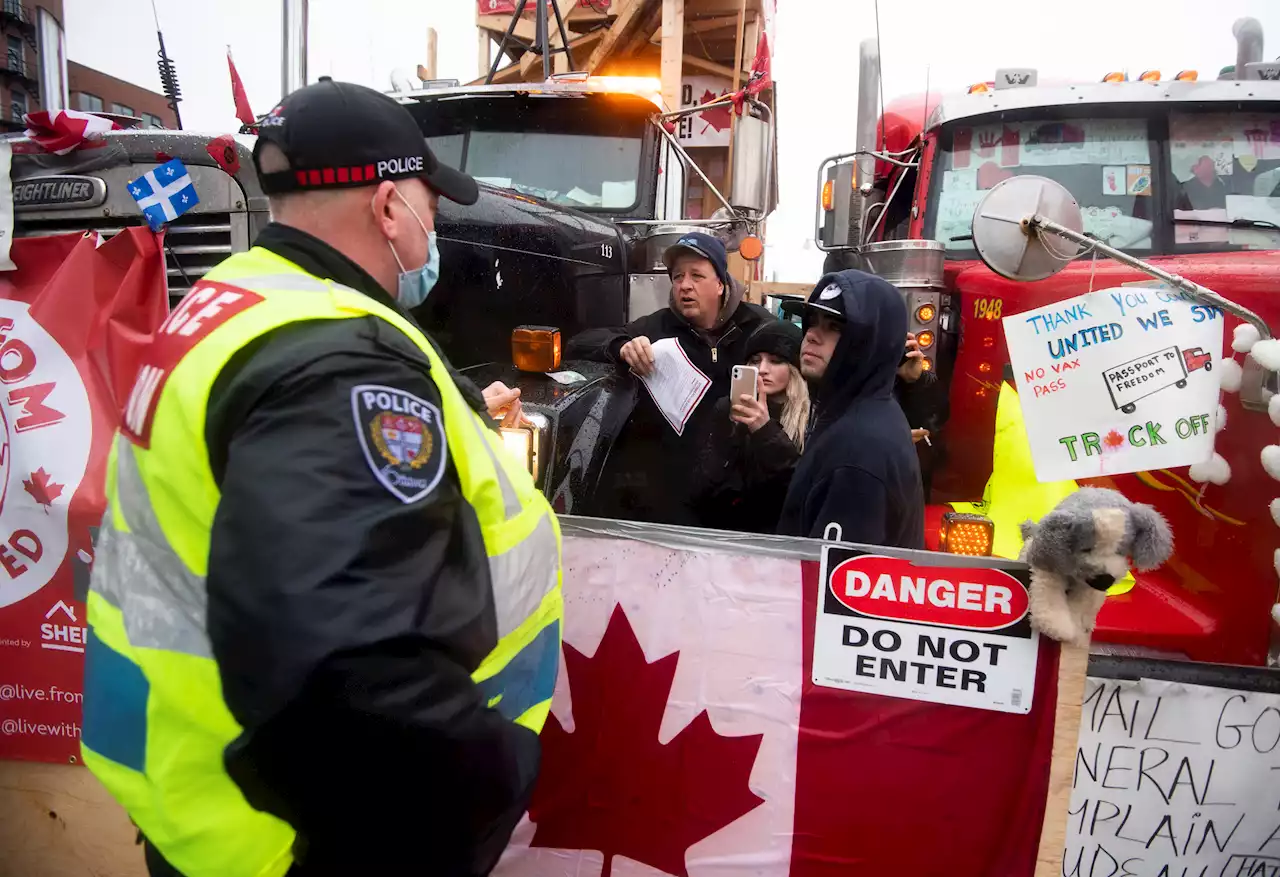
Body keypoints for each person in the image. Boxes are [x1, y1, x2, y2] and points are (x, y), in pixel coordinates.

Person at [79, 80, 563, 877]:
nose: (433, 226)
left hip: (201, 803)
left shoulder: (231, 305)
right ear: (386, 208)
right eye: (430, 205)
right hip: (295, 843)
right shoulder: (334, 360)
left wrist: (459, 408)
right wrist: (486, 787)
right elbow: (350, 674)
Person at [567, 232, 772, 525]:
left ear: (720, 283)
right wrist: (620, 347)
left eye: (696, 276)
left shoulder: (757, 325)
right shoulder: (657, 326)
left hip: (743, 498)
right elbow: (581, 342)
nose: (684, 285)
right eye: (677, 277)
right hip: (675, 500)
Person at [776, 269, 925, 548]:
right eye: (812, 321)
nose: (811, 336)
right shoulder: (857, 413)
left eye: (835, 327)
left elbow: (831, 583)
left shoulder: (859, 447)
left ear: (871, 342)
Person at [690, 320, 808, 533]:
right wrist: (731, 433)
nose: (762, 369)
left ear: (794, 369)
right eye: (754, 361)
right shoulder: (727, 408)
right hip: (729, 536)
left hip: (782, 540)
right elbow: (701, 489)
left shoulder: (810, 416)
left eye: (775, 361)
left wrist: (766, 432)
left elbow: (800, 490)